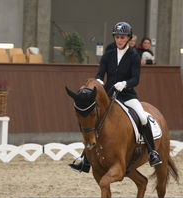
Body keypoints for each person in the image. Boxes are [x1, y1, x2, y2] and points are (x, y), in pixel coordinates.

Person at [69, 22, 162, 173]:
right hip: (108, 95)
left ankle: (152, 153)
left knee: (143, 117)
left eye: (123, 37)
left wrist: (125, 84)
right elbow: (100, 73)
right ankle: (85, 159)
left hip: (127, 95)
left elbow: (136, 79)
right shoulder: (108, 54)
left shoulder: (133, 56)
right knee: (93, 120)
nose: (119, 40)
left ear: (128, 38)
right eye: (117, 37)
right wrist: (98, 81)